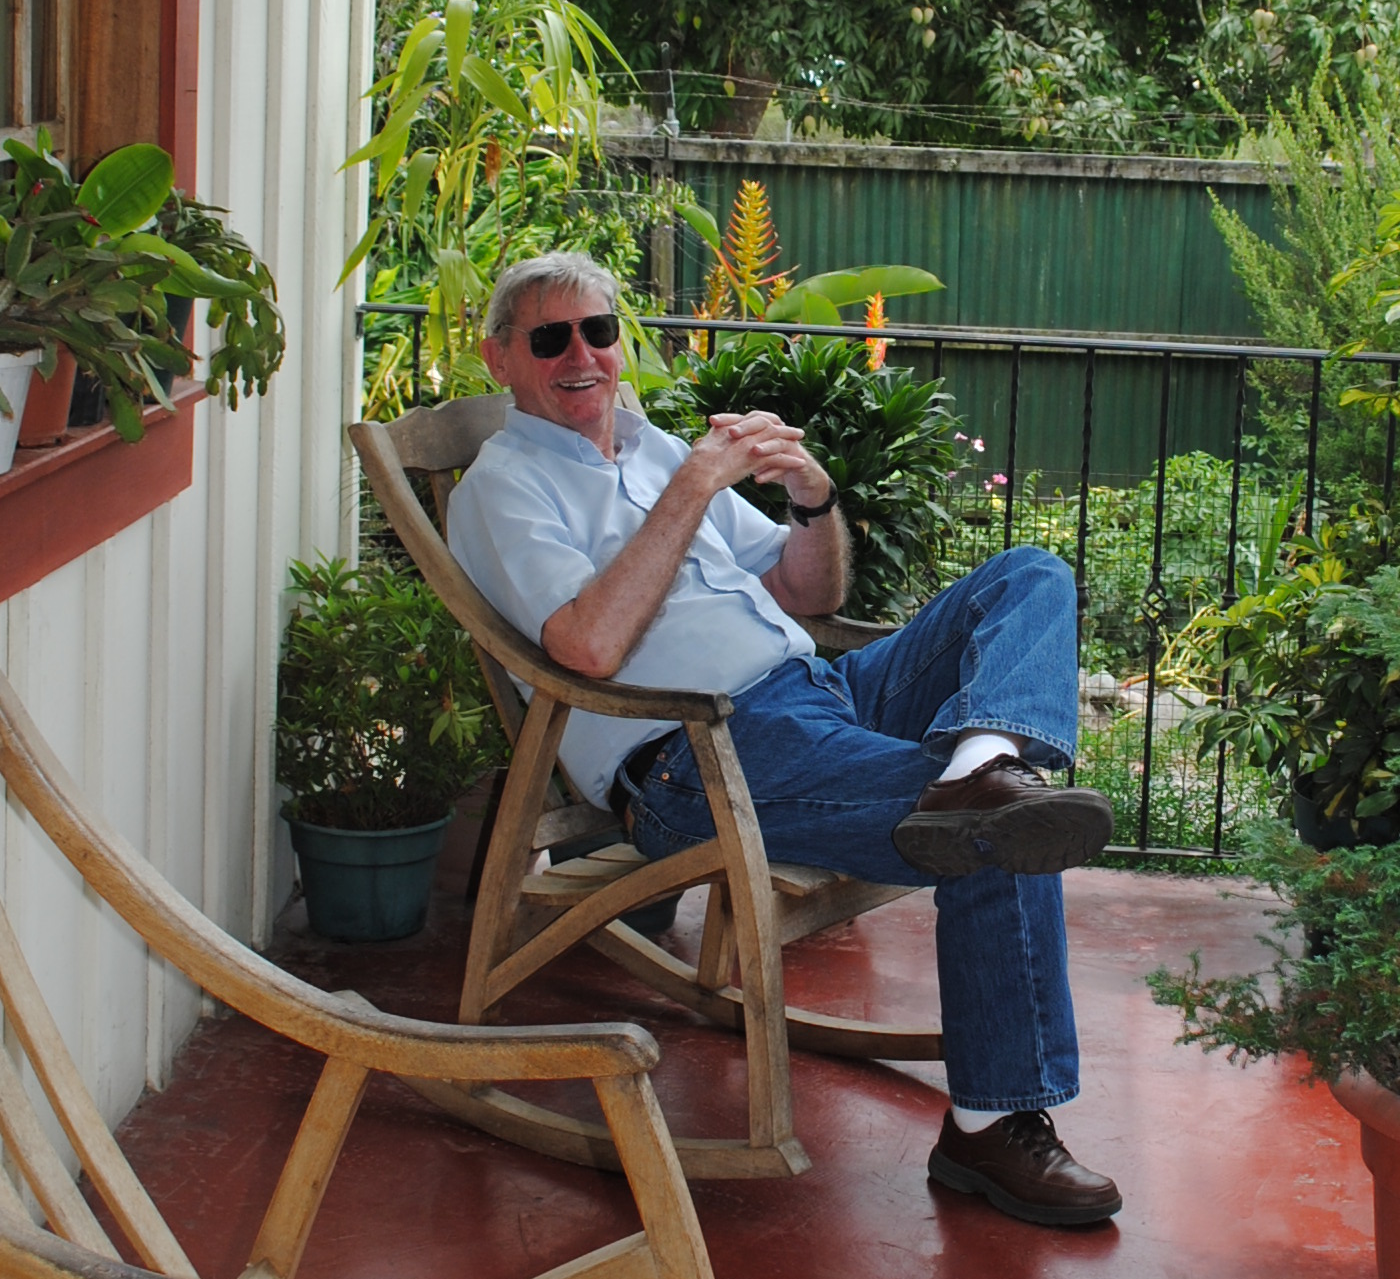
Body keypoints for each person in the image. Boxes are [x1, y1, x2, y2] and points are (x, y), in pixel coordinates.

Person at [446, 249, 1122, 1227]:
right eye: (551, 338)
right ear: (500, 357)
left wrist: (811, 493)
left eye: (598, 330)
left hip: (818, 691)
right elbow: (586, 646)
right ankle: (991, 1123)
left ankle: (984, 763)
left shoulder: (649, 447)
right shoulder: (503, 487)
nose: (581, 355)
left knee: (1029, 574)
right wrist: (692, 486)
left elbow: (808, 592)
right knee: (1001, 830)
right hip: (699, 752)